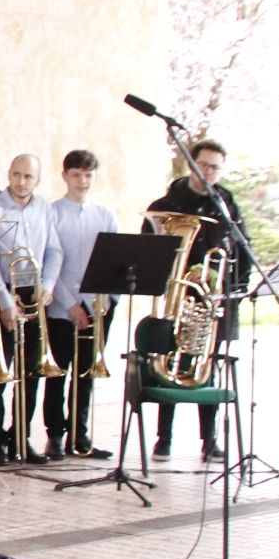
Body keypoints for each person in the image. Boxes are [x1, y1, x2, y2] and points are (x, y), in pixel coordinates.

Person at [144, 139, 245, 462]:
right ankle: (164, 438)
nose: (208, 172)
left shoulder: (227, 204)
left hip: (213, 302)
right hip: (178, 299)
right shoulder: (167, 203)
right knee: (169, 366)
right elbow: (149, 248)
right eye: (203, 164)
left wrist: (234, 289)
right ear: (191, 163)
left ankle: (210, 439)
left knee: (207, 368)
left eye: (215, 167)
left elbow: (241, 250)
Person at [0, 153, 61, 466]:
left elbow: (55, 251)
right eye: (16, 174)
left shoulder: (45, 209)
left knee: (30, 372)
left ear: (37, 179)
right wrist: (3, 302)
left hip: (33, 293)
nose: (21, 181)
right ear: (9, 174)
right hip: (1, 292)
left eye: (28, 176)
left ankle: (21, 437)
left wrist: (49, 286)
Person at [44, 150, 119, 459]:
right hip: (62, 307)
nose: (82, 181)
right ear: (65, 176)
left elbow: (114, 259)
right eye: (76, 174)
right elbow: (51, 261)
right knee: (57, 374)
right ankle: (55, 437)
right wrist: (70, 303)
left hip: (98, 306)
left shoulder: (106, 214)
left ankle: (80, 436)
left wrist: (103, 302)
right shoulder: (52, 212)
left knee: (86, 375)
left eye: (88, 175)